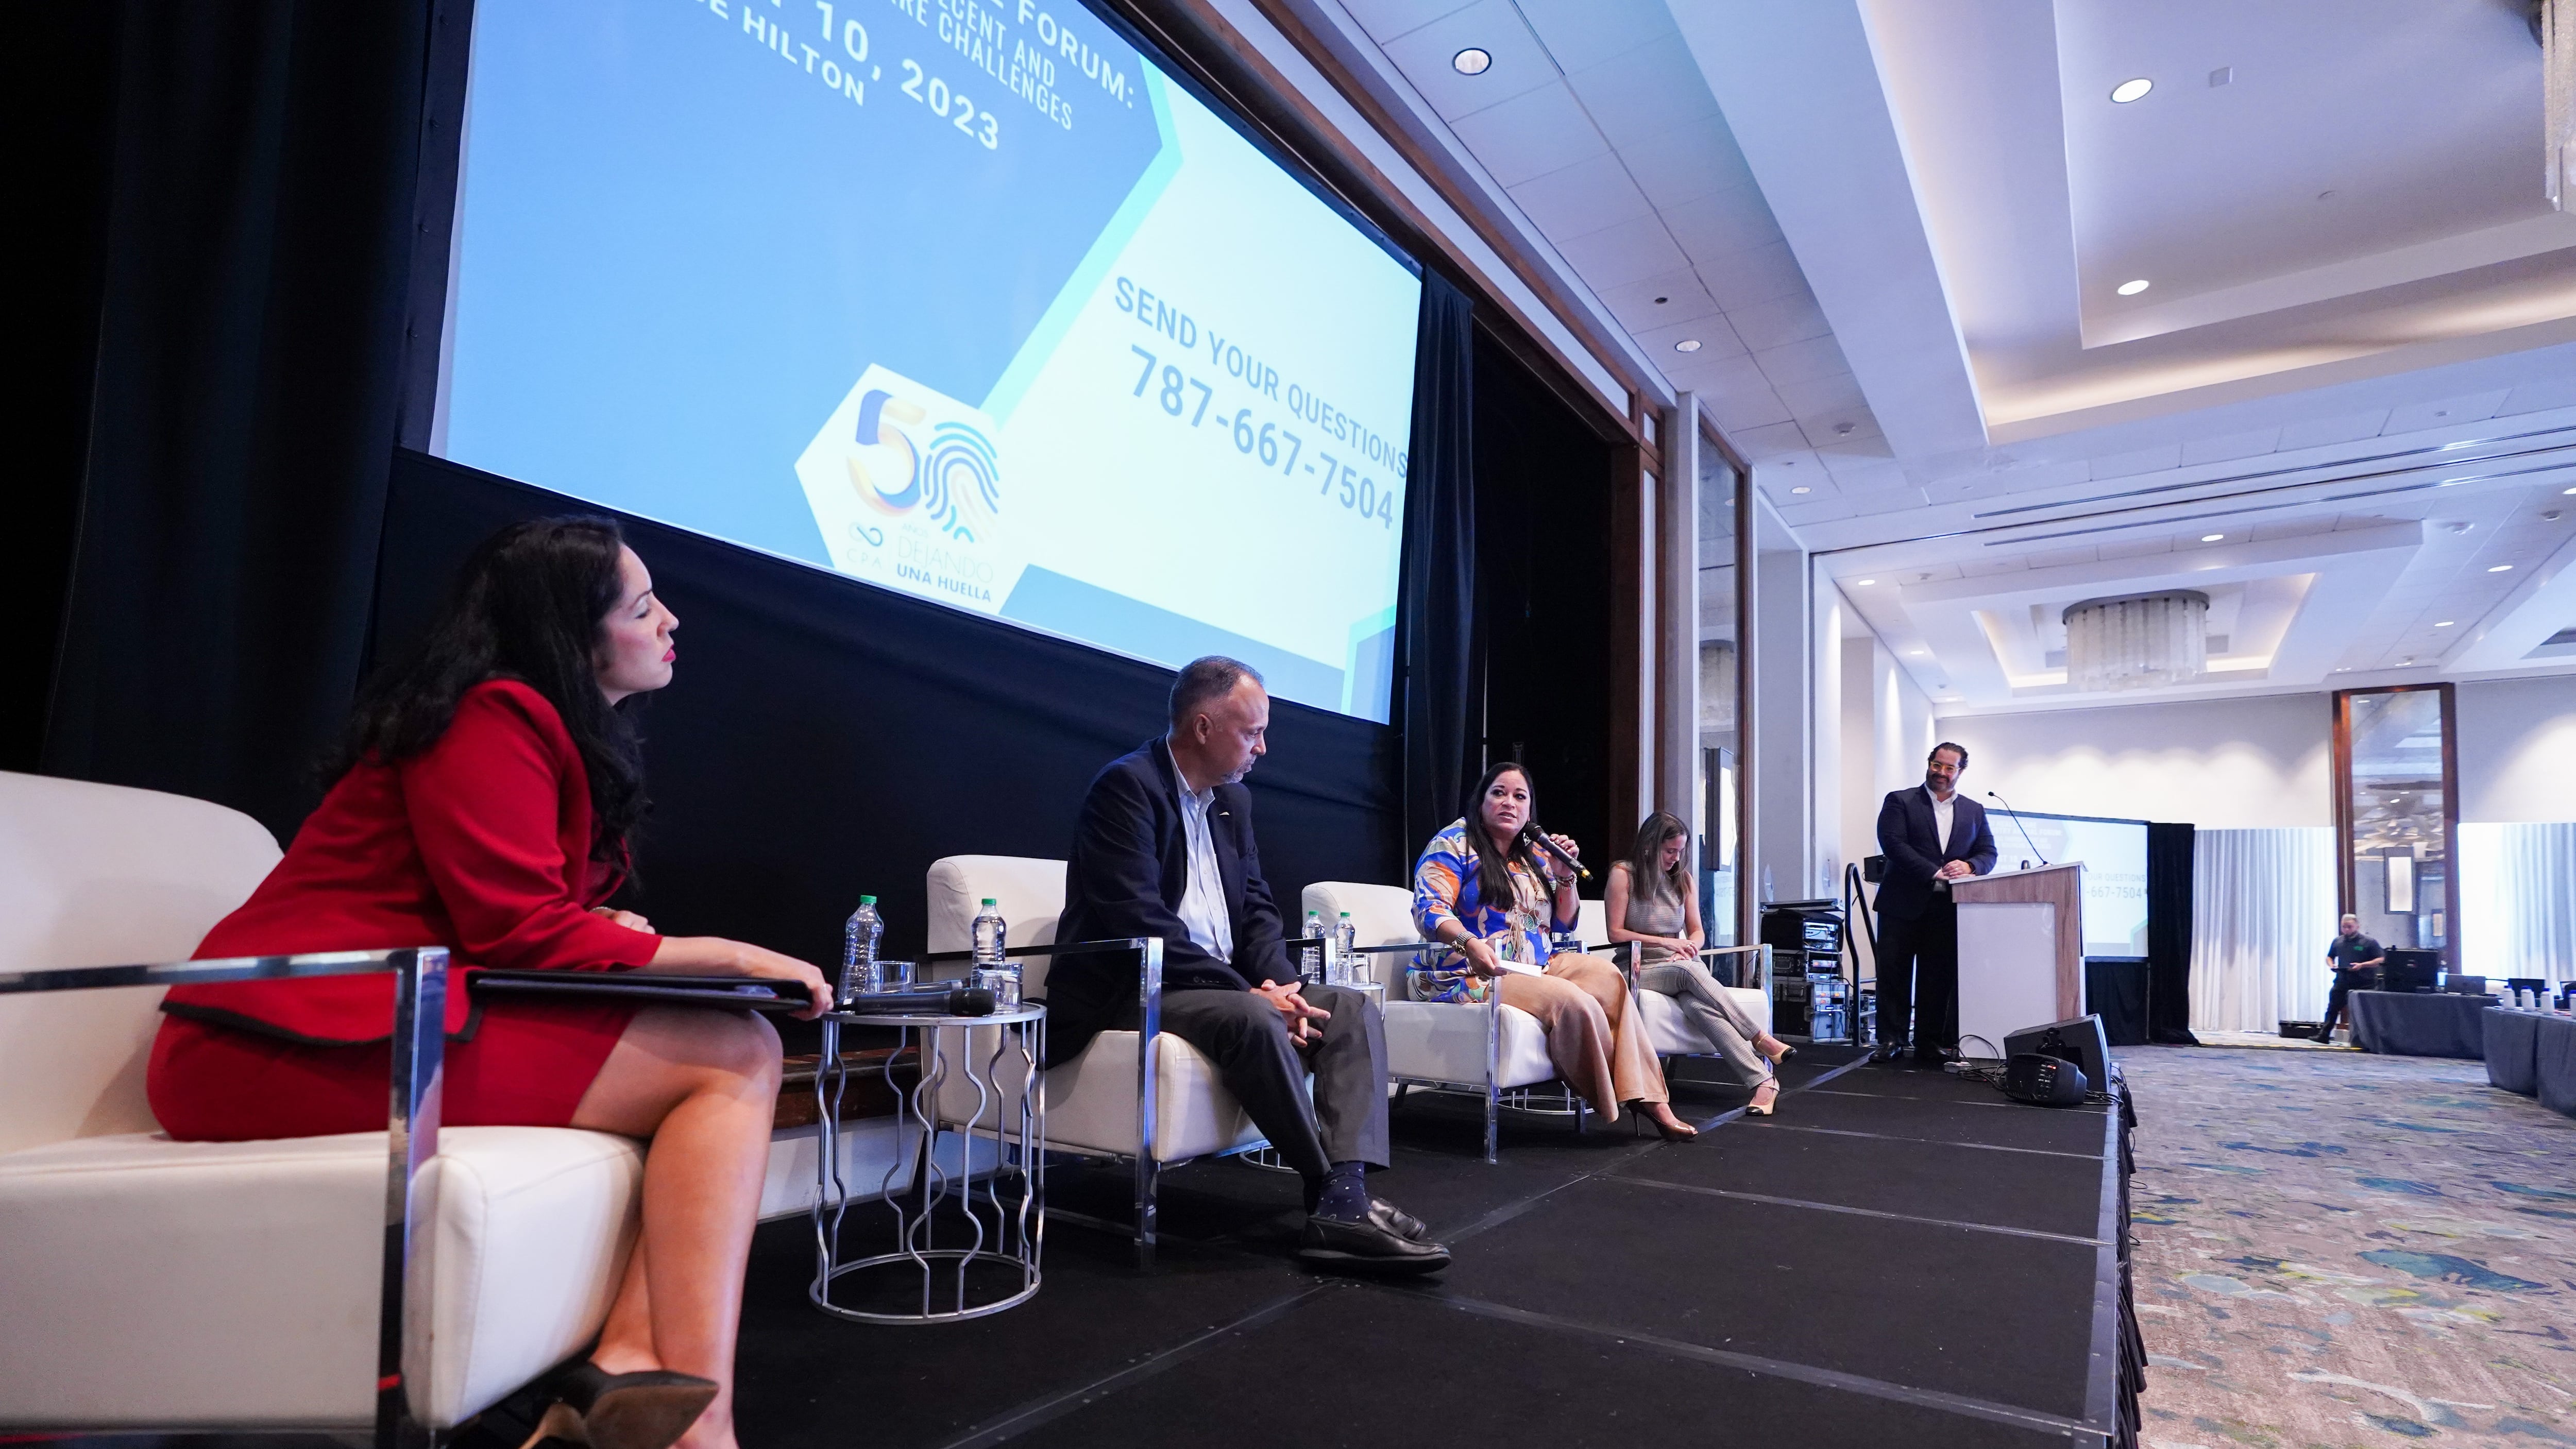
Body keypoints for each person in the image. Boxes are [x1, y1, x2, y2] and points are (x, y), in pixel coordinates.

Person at [145, 518, 828, 1449]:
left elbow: (517, 912)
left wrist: (627, 934)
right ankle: (698, 1425)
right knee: (735, 1049)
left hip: (388, 1012)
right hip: (272, 1044)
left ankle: (630, 1373)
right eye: (641, 606)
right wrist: (732, 955)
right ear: (571, 635)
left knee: (733, 1049)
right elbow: (520, 930)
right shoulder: (491, 711)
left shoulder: (535, 723)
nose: (671, 620)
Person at [1051, 657, 1448, 1271]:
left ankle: (1343, 1195)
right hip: (1137, 983)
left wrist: (1282, 983)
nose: (1263, 746)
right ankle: (1334, 1199)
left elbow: (1257, 910)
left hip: (1218, 982)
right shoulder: (1126, 787)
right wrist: (1251, 992)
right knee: (1250, 1017)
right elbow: (1138, 920)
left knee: (1346, 1008)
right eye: (1251, 731)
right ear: (1204, 727)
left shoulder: (1233, 800)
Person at [1411, 763, 1698, 1140]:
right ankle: (1627, 1099)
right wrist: (1469, 942)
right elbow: (1429, 909)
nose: (1509, 803)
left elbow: (1563, 923)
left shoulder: (1532, 853)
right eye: (1498, 793)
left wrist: (1563, 873)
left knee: (1610, 978)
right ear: (1481, 801)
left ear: (1530, 809)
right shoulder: (1455, 842)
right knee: (1571, 999)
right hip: (1472, 972)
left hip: (1535, 964)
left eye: (1520, 796)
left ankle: (1651, 1097)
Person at [1606, 811, 1794, 1116]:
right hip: (1638, 969)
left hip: (1679, 966)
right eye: (1670, 851)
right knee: (1687, 971)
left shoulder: (1684, 880)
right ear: (1649, 847)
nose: (1675, 858)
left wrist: (1690, 946)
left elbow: (1697, 931)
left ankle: (1763, 1082)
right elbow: (1615, 933)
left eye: (1680, 851)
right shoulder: (1623, 874)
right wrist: (1667, 942)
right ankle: (1759, 1037)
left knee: (1698, 1006)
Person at [1872, 742, 1997, 1064]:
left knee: (1936, 977)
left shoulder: (1974, 810)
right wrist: (1933, 872)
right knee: (1894, 974)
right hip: (1902, 903)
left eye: (1949, 768)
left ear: (1961, 771)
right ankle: (1891, 1040)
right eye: (1936, 765)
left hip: (1947, 908)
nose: (1941, 773)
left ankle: (1929, 1041)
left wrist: (1970, 867)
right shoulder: (1900, 801)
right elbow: (1893, 843)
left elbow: (1988, 853)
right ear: (1929, 763)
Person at [2315, 913, 2384, 1043]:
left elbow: (2381, 959)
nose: (2347, 930)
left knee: (2363, 1013)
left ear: (2357, 926)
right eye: (2344, 927)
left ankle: (2367, 1039)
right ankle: (2324, 1035)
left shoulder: (2369, 942)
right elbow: (2329, 956)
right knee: (2332, 1008)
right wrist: (2332, 965)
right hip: (2342, 981)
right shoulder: (2338, 941)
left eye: (2350, 927)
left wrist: (2363, 965)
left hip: (2364, 983)